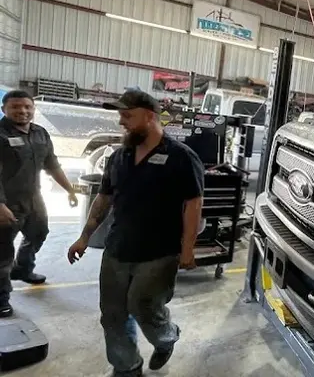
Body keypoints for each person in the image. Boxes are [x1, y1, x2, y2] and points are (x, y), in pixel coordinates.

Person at [67, 90, 204, 377]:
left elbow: (193, 204)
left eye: (128, 116)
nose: (122, 122)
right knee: (113, 314)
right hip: (117, 249)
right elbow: (103, 199)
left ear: (150, 116)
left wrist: (188, 249)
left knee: (144, 307)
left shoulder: (180, 157)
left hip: (159, 252)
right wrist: (84, 237)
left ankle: (166, 338)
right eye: (121, 116)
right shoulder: (119, 157)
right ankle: (127, 367)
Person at [0, 90, 78, 318]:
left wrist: (70, 189)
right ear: (4, 109)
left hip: (34, 199)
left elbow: (52, 164)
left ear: (33, 109)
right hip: (7, 202)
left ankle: (22, 269)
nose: (22, 111)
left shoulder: (40, 133)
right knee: (2, 253)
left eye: (27, 107)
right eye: (16, 107)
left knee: (39, 233)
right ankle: (1, 298)